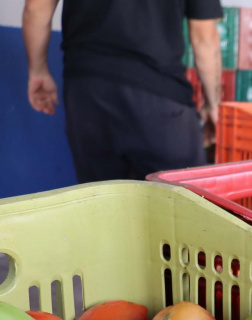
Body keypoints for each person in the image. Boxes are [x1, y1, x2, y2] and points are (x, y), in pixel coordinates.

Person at [23, 0, 223, 183]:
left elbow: (36, 7)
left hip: (87, 94)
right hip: (159, 96)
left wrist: (38, 70)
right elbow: (204, 37)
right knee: (184, 208)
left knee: (101, 207)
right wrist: (212, 103)